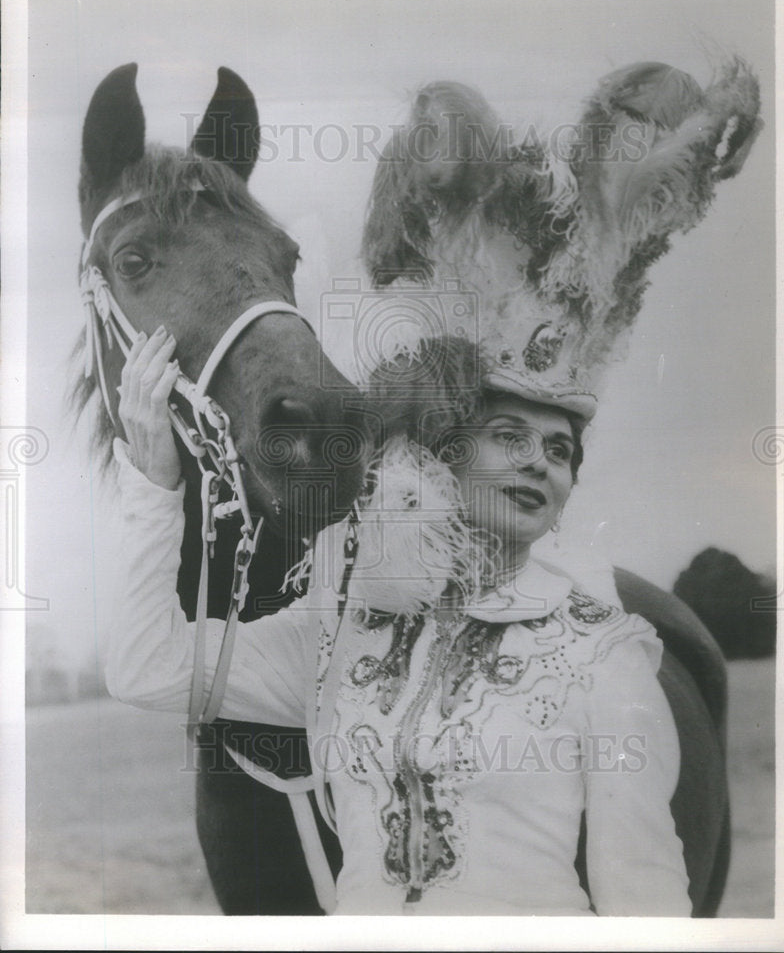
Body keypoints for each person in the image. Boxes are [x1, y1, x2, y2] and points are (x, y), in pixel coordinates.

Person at [106, 328, 692, 917]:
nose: (540, 461)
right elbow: (147, 669)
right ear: (436, 458)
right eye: (510, 438)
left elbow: (643, 889)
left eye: (560, 450)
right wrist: (154, 484)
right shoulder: (341, 634)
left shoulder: (604, 651)